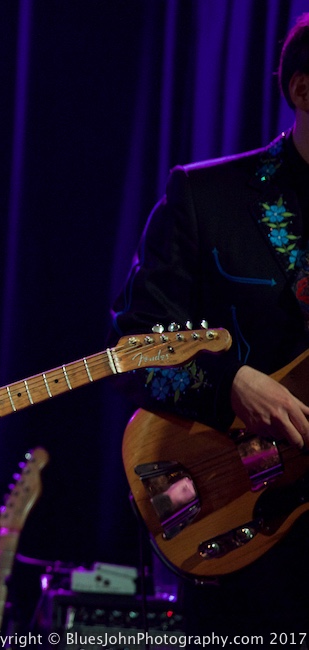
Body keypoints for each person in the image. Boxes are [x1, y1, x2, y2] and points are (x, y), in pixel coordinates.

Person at [109, 13, 309, 640]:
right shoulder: (208, 196)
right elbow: (134, 350)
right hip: (254, 532)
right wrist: (231, 384)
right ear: (301, 90)